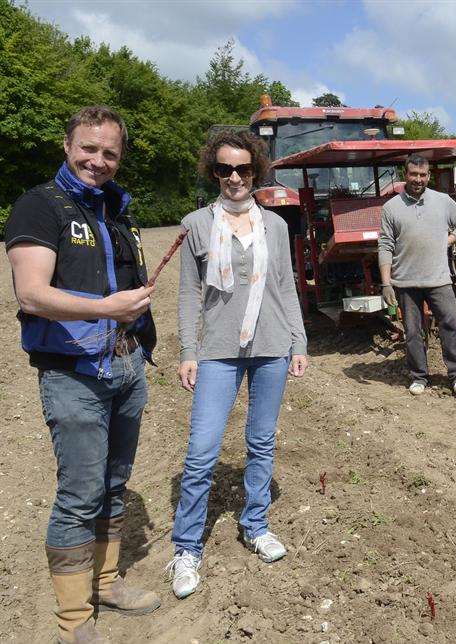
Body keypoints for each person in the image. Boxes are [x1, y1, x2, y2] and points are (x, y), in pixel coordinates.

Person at [4, 105, 160, 643]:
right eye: (88, 149)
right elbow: (31, 293)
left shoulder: (118, 210)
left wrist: (132, 322)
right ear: (67, 147)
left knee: (114, 484)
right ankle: (74, 619)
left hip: (126, 363)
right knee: (80, 493)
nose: (98, 160)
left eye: (109, 152)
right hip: (74, 374)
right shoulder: (39, 206)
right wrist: (108, 308)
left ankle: (108, 582)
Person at [167, 130, 308, 599]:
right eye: (225, 168)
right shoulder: (196, 225)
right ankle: (187, 548)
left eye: (243, 169)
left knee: (261, 441)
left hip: (271, 346)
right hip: (219, 352)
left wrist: (299, 342)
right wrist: (189, 350)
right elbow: (188, 295)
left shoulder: (276, 227)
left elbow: (287, 288)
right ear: (214, 172)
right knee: (203, 449)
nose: (234, 177)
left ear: (256, 172)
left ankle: (256, 523)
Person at [378, 154, 456, 395]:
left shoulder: (442, 201)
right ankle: (419, 376)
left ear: (429, 176)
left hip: (438, 279)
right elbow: (385, 246)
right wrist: (386, 283)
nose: (418, 179)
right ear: (405, 175)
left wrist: (449, 239)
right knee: (412, 331)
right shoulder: (391, 208)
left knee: (451, 323)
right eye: (413, 174)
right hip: (406, 281)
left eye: (423, 175)